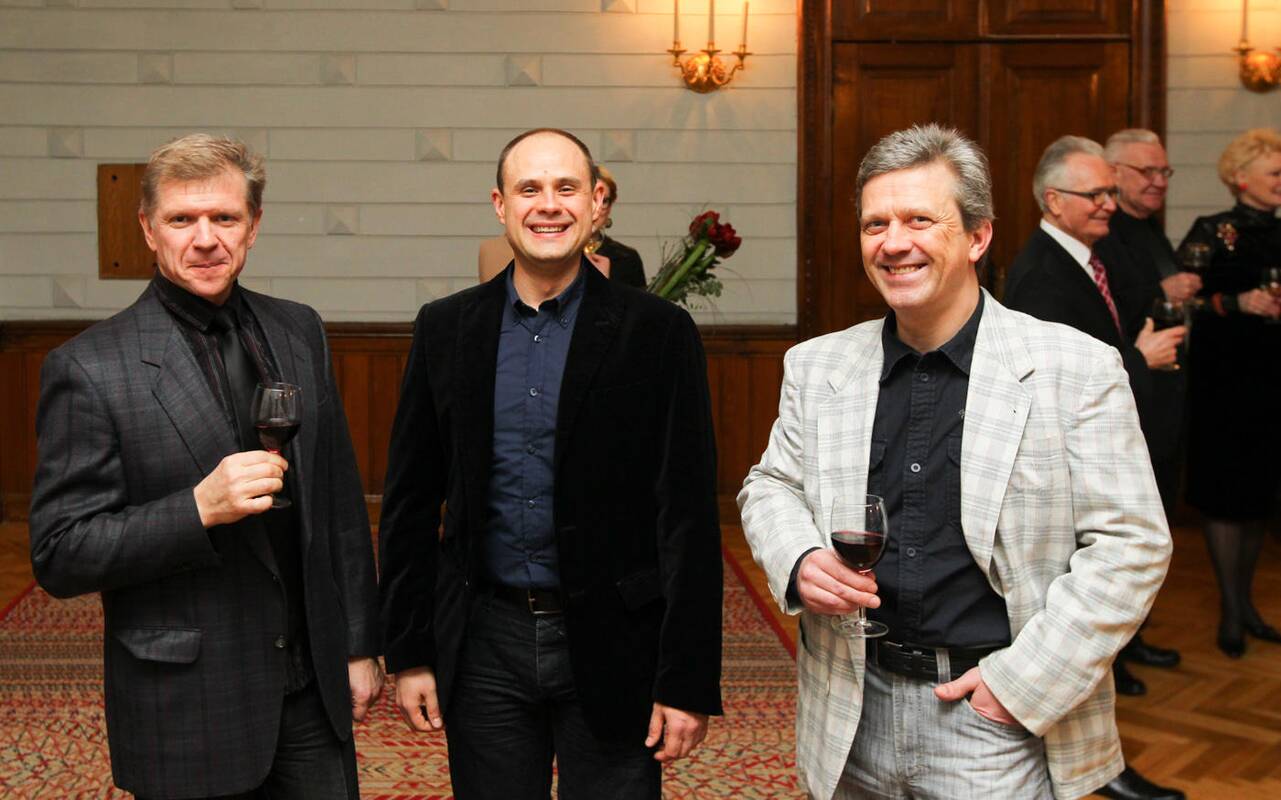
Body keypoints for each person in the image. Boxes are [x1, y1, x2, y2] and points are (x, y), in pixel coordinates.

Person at [739, 124, 1172, 800]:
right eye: (875, 224)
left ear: (977, 236)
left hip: (992, 720)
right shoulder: (818, 366)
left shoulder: (1075, 369)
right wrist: (798, 557)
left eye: (919, 219)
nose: (893, 242)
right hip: (849, 707)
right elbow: (771, 485)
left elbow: (1132, 545)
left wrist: (1018, 685)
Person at [28, 134, 382, 799]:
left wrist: (359, 645)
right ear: (148, 229)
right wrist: (198, 509)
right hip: (189, 700)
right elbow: (60, 553)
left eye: (224, 217)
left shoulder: (298, 330)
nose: (205, 239)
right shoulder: (90, 367)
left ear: (253, 226)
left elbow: (337, 502)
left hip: (311, 692)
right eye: (181, 219)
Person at [379, 127, 722, 799]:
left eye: (566, 188)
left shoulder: (657, 332)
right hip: (484, 642)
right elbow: (409, 503)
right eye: (528, 189)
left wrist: (686, 678)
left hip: (617, 641)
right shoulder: (445, 328)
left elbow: (685, 515)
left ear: (596, 204)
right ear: (500, 205)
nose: (548, 205)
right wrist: (410, 651)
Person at [1177, 128, 1281, 658]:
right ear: (1241, 177)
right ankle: (1231, 612)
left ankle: (1246, 604)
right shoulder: (1211, 231)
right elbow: (1179, 301)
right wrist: (1235, 304)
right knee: (1225, 493)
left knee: (1259, 494)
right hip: (1223, 384)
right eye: (1275, 172)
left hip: (1272, 383)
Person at [1094, 129, 1189, 692]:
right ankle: (1115, 655)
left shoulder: (1150, 229)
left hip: (1158, 394)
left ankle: (1134, 637)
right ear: (1113, 174)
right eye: (1145, 172)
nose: (1157, 182)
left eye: (1163, 173)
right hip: (1125, 394)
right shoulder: (1103, 236)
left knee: (1151, 523)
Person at [591, 164, 647, 288]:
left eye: (604, 201)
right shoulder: (555, 254)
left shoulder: (627, 259)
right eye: (590, 199)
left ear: (610, 206)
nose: (595, 209)